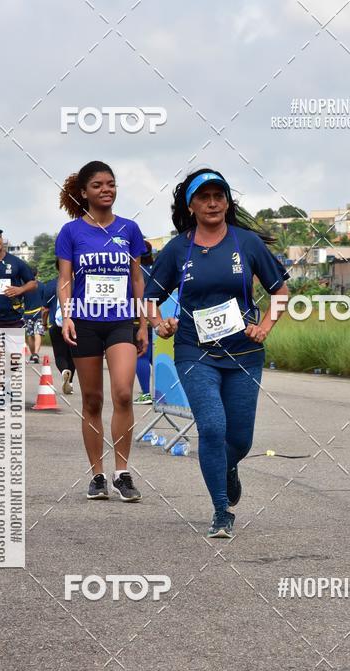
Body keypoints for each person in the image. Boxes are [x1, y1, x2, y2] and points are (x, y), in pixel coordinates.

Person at [144, 168, 289, 538]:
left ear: (227, 201)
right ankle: (221, 510)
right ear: (190, 205)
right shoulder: (179, 248)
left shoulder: (247, 243)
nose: (212, 203)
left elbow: (281, 291)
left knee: (240, 439)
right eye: (204, 197)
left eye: (219, 196)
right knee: (211, 426)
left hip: (244, 353)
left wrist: (265, 326)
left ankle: (228, 467)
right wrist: (159, 323)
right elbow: (148, 298)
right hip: (195, 351)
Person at [56, 160, 148, 500]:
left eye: (111, 183)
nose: (106, 189)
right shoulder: (71, 233)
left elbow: (137, 279)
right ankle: (97, 475)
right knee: (92, 400)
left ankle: (122, 472)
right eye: (98, 185)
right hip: (85, 321)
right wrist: (67, 316)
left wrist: (142, 323)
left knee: (123, 392)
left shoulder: (130, 229)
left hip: (121, 320)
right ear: (84, 192)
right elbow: (65, 280)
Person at [0, 226, 36, 372]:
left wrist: (21, 289)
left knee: (14, 362)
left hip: (13, 318)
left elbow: (33, 283)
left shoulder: (16, 262)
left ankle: (10, 391)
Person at [41, 264, 75, 395]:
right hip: (75, 324)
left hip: (56, 325)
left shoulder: (50, 285)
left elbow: (45, 309)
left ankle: (64, 371)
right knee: (73, 355)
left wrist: (44, 324)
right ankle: (70, 382)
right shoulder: (79, 283)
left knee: (60, 354)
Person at [134, 241, 154, 404]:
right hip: (158, 317)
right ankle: (170, 391)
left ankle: (146, 393)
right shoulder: (156, 270)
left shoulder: (135, 271)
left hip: (138, 318)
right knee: (157, 356)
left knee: (141, 356)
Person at [23, 266, 45, 363]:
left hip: (27, 313)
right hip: (39, 312)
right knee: (38, 333)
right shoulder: (42, 286)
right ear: (37, 274)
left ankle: (33, 355)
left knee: (30, 334)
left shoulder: (24, 287)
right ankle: (36, 354)